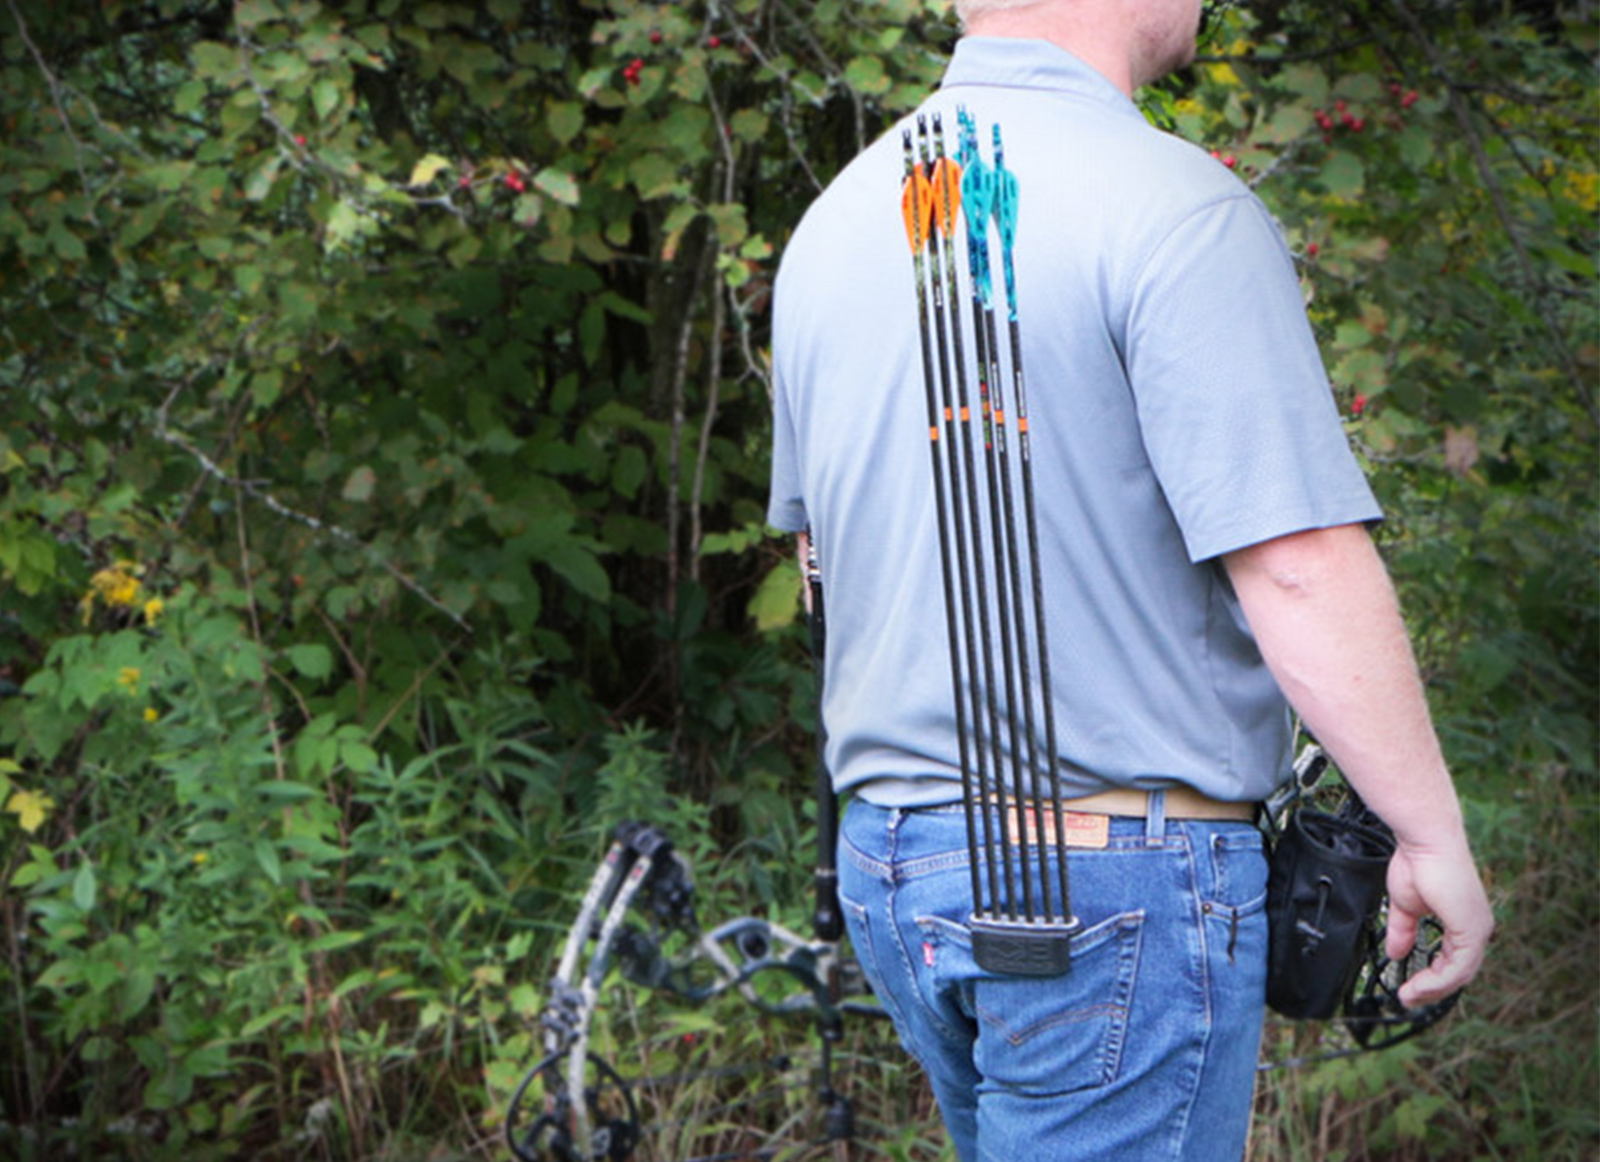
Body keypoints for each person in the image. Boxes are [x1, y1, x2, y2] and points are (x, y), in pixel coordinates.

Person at [766, 0, 1495, 1158]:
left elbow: (819, 566)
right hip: (1106, 883)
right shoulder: (1175, 206)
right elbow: (1295, 566)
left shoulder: (834, 222)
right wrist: (1430, 833)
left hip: (894, 865)